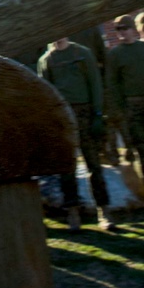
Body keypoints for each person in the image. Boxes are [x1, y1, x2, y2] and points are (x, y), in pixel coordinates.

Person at [38, 36, 117, 232]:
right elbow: (46, 93)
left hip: (85, 113)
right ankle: (73, 213)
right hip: (63, 116)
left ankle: (104, 211)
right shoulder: (46, 60)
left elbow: (95, 84)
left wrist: (98, 114)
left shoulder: (82, 54)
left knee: (94, 165)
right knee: (67, 169)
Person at [106, 15, 144, 173]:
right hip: (131, 105)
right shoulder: (115, 54)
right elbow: (112, 84)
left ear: (133, 29)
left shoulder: (142, 48)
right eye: (118, 29)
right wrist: (121, 110)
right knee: (141, 146)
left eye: (124, 28)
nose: (121, 32)